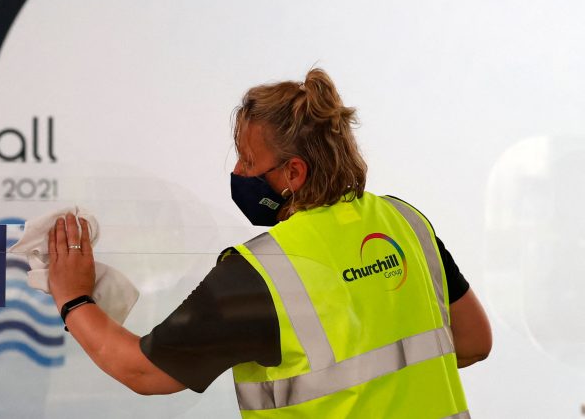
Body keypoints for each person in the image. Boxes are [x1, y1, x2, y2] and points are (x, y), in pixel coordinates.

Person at [48, 68, 492, 415]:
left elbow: (143, 371)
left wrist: (73, 299)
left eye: (247, 158)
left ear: (293, 174)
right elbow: (474, 340)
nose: (238, 173)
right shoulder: (404, 221)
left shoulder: (260, 274)